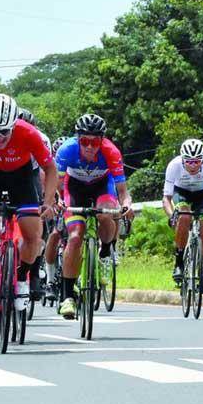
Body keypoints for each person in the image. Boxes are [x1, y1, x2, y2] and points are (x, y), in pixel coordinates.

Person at [0, 94, 57, 315]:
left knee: (33, 233)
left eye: (4, 131)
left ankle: (22, 277)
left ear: (14, 124)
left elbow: (50, 170)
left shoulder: (29, 134)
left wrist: (48, 201)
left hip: (22, 178)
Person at [56, 114, 134, 319]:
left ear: (102, 141)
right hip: (74, 189)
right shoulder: (66, 150)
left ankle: (106, 252)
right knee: (74, 237)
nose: (90, 146)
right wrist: (58, 201)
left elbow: (122, 190)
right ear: (77, 139)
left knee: (107, 211)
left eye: (95, 141)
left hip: (102, 186)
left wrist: (126, 203)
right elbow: (56, 183)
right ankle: (67, 297)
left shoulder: (111, 152)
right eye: (85, 141)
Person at [163, 139, 203, 293]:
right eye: (189, 162)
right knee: (184, 217)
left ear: (202, 160)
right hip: (181, 193)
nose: (192, 166)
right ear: (182, 159)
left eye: (197, 162)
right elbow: (167, 198)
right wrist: (172, 215)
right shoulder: (174, 165)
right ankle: (179, 263)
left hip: (202, 195)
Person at [42, 136, 69, 300]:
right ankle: (50, 280)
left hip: (71, 203)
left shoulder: (72, 163)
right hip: (56, 205)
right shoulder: (49, 167)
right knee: (53, 235)